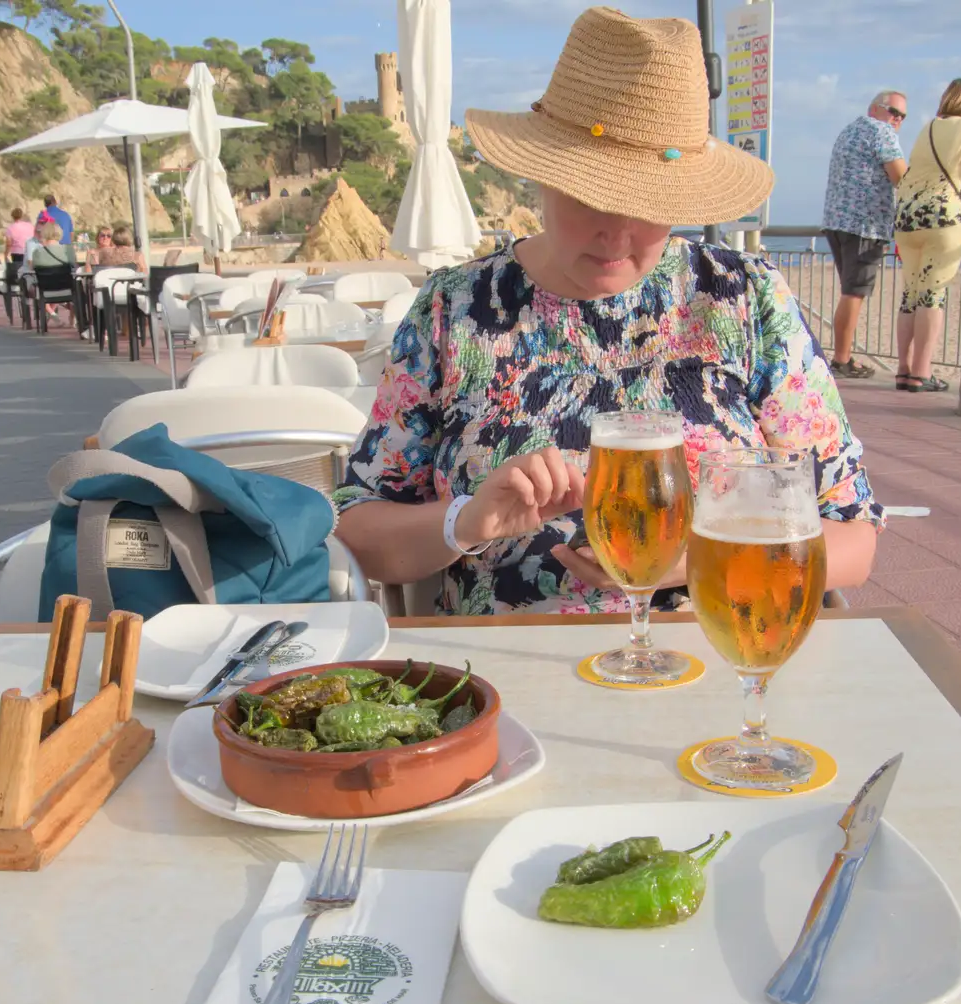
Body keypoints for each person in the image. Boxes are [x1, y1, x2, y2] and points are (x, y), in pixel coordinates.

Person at [332, 7, 881, 616]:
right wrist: (464, 521)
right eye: (590, 195)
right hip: (509, 677)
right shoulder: (454, 310)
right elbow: (360, 532)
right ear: (542, 175)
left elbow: (852, 533)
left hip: (721, 661)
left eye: (653, 202)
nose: (617, 234)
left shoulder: (743, 299)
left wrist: (695, 561)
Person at [893, 78, 961, 393]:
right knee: (933, 294)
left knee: (910, 294)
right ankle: (921, 371)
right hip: (944, 219)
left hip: (908, 218)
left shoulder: (929, 127)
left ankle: (904, 369)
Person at [820, 90, 908, 380]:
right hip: (864, 224)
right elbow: (901, 177)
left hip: (836, 221)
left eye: (902, 116)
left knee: (849, 291)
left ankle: (842, 356)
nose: (897, 119)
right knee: (854, 293)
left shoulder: (848, 132)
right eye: (893, 111)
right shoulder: (881, 131)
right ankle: (842, 359)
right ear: (875, 109)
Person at [26, 219, 74, 328]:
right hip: (67, 288)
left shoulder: (37, 252)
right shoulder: (68, 249)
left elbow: (32, 268)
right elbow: (73, 267)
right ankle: (77, 320)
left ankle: (47, 320)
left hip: (46, 290)